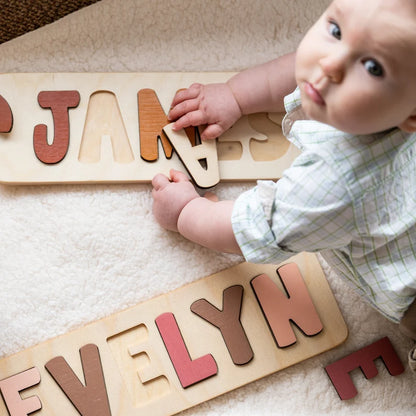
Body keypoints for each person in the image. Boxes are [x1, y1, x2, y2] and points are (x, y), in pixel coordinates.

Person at [151, 0, 416, 367]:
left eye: (372, 67)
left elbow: (256, 230)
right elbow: (299, 69)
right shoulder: (358, 81)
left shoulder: (334, 182)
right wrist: (236, 95)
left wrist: (186, 210)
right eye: (336, 30)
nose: (330, 65)